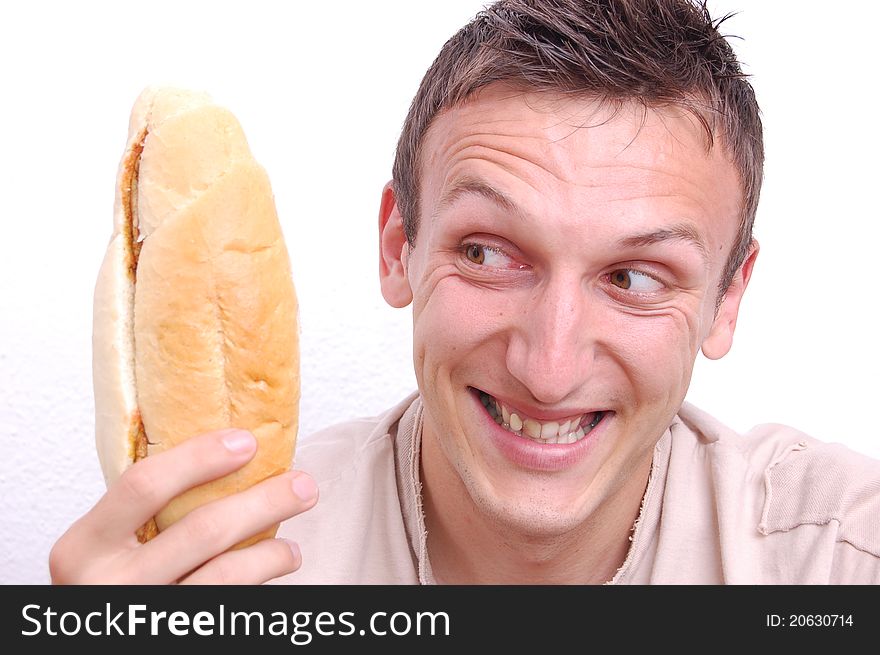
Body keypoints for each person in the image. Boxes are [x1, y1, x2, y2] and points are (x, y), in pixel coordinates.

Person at [50, 0, 880, 585]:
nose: (549, 368)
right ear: (399, 247)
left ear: (727, 299)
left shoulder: (837, 557)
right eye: (488, 253)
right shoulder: (223, 571)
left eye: (632, 278)